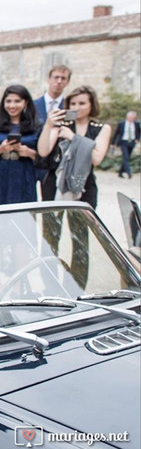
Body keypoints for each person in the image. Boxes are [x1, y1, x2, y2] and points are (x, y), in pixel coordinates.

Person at [37, 85, 111, 287]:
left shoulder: (101, 128)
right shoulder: (61, 124)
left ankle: (76, 286)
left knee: (80, 240)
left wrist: (73, 138)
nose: (77, 107)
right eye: (73, 103)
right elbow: (43, 151)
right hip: (56, 185)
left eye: (82, 103)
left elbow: (96, 158)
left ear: (91, 104)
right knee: (50, 239)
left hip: (84, 187)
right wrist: (49, 126)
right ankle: (50, 286)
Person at [0, 84, 40, 205]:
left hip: (24, 175)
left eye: (17, 101)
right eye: (8, 101)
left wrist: (28, 152)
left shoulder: (36, 125)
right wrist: (1, 149)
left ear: (26, 102)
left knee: (23, 214)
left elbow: (44, 158)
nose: (12, 105)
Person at [33, 64, 72, 200]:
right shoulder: (32, 105)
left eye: (63, 78)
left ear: (67, 82)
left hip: (55, 163)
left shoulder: (69, 107)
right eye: (56, 77)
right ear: (49, 79)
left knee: (52, 207)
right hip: (33, 160)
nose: (59, 81)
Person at [112, 111, 139, 179]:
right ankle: (129, 173)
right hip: (123, 142)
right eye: (130, 117)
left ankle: (120, 173)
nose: (131, 119)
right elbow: (116, 134)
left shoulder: (136, 123)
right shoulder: (122, 124)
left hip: (132, 142)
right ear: (127, 117)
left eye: (133, 118)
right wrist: (113, 143)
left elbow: (138, 132)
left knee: (126, 158)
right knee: (126, 157)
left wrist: (137, 139)